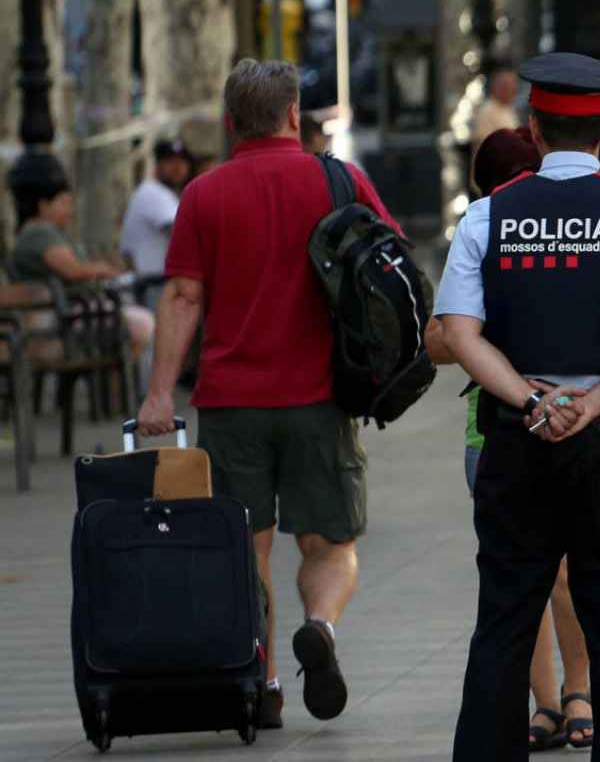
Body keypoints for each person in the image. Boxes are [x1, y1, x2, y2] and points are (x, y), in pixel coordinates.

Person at [438, 52, 600, 762]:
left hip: (516, 436)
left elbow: (459, 334)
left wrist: (532, 397)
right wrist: (594, 404)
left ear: (535, 126)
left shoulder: (487, 216)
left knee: (505, 619)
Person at [137, 59, 401, 730]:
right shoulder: (339, 179)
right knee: (330, 542)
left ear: (230, 123)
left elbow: (183, 296)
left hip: (230, 404)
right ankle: (320, 628)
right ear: (292, 115)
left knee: (243, 546)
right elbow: (393, 262)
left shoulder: (203, 194)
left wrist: (159, 396)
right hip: (321, 398)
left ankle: (264, 684)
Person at [442, 128, 597, 752]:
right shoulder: (480, 234)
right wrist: (483, 333)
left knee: (561, 573)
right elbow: (439, 337)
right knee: (521, 577)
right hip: (494, 433)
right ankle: (546, 701)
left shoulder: (571, 236)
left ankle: (579, 688)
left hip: (573, 421)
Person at [8, 154, 155, 355]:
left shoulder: (41, 232)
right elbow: (73, 271)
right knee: (142, 324)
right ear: (43, 205)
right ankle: (127, 385)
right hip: (58, 320)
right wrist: (104, 270)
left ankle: (119, 383)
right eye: (64, 203)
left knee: (136, 322)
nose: (70, 210)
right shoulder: (39, 232)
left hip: (63, 315)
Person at [119, 139, 192, 287]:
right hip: (151, 284)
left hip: (150, 282)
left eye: (182, 162)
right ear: (158, 165)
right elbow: (183, 235)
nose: (177, 167)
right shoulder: (154, 192)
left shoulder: (158, 191)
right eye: (170, 161)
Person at [469, 59, 522, 160]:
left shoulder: (509, 108)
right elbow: (483, 149)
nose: (513, 89)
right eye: (507, 86)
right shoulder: (486, 111)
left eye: (514, 84)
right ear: (497, 86)